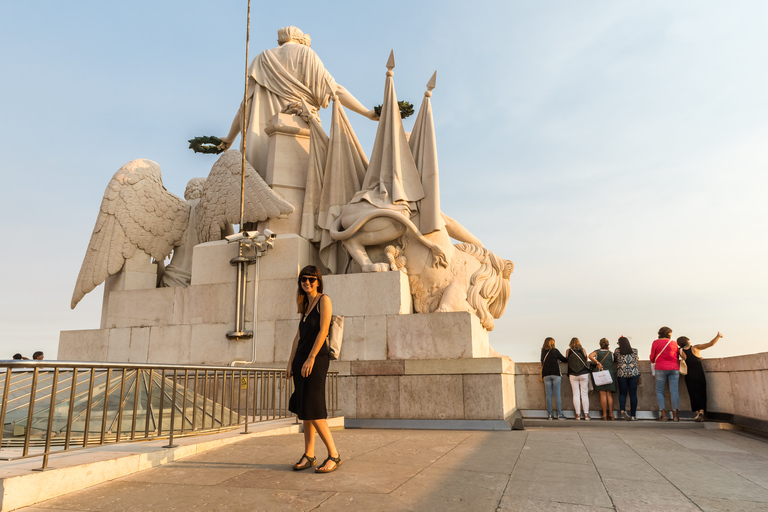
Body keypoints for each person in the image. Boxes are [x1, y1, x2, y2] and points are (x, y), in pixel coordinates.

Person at [219, 26, 377, 175]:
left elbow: (245, 106)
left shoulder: (261, 60)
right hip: (299, 134)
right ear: (302, 41)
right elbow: (334, 89)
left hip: (260, 144)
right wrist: (366, 112)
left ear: (280, 41)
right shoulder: (305, 53)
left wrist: (229, 138)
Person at [287, 265, 341, 473]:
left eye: (311, 279)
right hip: (301, 360)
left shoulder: (323, 300)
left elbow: (324, 330)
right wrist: (290, 362)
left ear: (318, 281)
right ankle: (309, 455)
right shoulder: (305, 306)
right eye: (303, 279)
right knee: (305, 410)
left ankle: (334, 455)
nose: (307, 282)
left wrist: (311, 357)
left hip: (316, 360)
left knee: (314, 407)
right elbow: (298, 337)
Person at [677, 332, 722, 422]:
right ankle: (702, 411)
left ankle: (697, 414)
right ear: (687, 341)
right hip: (699, 374)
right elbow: (710, 344)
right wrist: (718, 336)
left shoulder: (680, 351)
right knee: (701, 392)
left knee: (693, 394)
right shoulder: (695, 348)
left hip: (689, 375)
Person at [649, 326, 684, 421]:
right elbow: (677, 355)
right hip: (674, 368)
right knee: (674, 391)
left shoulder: (656, 342)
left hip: (660, 368)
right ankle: (675, 415)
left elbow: (652, 358)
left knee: (660, 391)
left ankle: (663, 414)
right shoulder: (674, 343)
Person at [566, 338, 600, 420]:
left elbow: (567, 360)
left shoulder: (568, 351)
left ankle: (578, 415)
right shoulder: (583, 350)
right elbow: (585, 359)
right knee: (584, 395)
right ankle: (586, 415)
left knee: (575, 394)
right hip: (583, 373)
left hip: (573, 374)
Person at [540, 337, 568, 420]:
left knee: (548, 395)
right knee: (557, 395)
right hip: (555, 374)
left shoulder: (543, 352)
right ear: (553, 343)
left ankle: (550, 415)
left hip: (546, 374)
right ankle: (559, 414)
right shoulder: (555, 351)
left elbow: (542, 361)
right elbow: (564, 360)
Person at [589, 338, 617, 420]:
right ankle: (611, 414)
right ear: (608, 345)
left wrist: (598, 363)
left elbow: (590, 356)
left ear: (600, 344)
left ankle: (604, 415)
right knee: (609, 395)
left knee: (602, 394)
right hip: (610, 373)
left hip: (600, 373)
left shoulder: (597, 352)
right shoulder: (611, 353)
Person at [614, 336, 640, 420]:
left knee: (622, 393)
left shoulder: (617, 351)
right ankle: (633, 415)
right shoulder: (635, 351)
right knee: (633, 394)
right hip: (634, 373)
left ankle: (622, 411)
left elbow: (615, 360)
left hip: (622, 374)